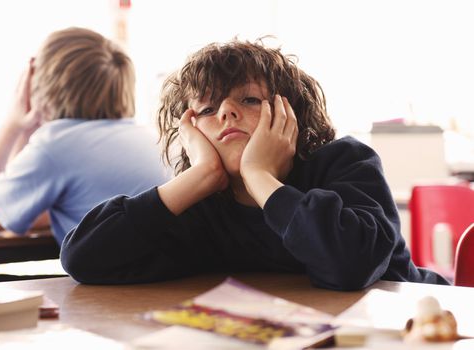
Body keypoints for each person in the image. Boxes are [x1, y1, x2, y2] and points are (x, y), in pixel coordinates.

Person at [60, 38, 449, 290]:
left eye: (247, 100)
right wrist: (200, 176)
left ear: (288, 114)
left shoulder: (345, 163)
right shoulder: (203, 205)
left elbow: (350, 267)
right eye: (208, 109)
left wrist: (259, 177)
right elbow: (83, 258)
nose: (226, 112)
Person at [0, 27, 170, 245]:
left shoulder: (55, 147)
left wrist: (11, 124)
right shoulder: (146, 135)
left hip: (129, 275)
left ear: (37, 85)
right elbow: (20, 211)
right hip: (183, 270)